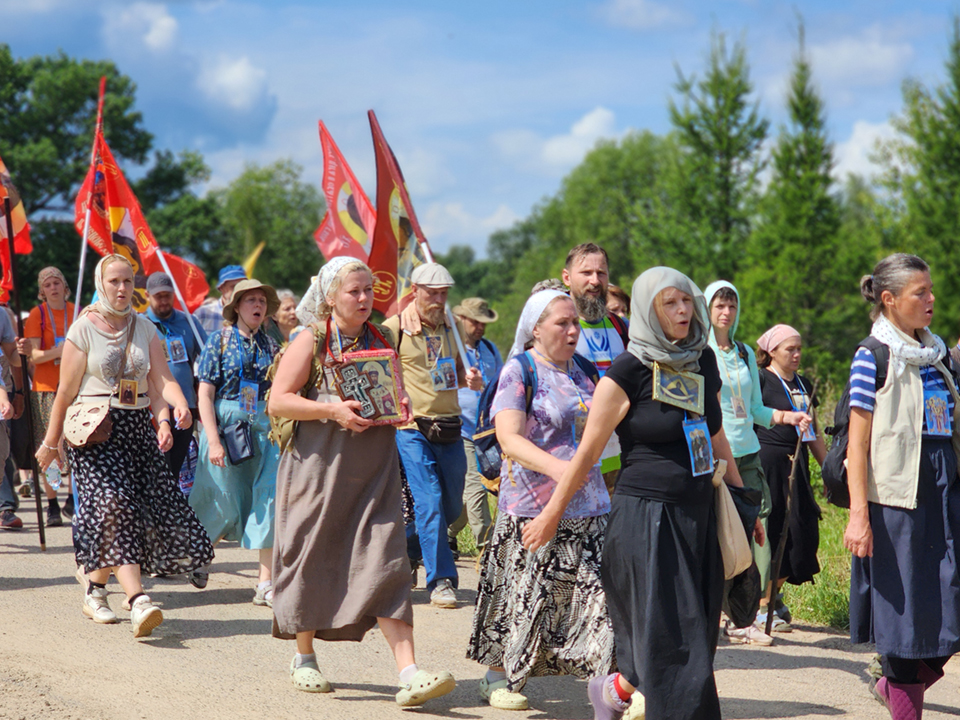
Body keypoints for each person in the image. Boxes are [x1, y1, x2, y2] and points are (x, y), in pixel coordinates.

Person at [522, 267, 757, 720]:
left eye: (687, 300)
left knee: (698, 634)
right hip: (648, 518)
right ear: (650, 310)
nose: (683, 310)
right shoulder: (627, 374)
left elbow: (716, 432)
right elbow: (587, 454)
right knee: (676, 642)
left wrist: (743, 502)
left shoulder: (702, 361)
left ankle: (613, 691)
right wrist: (552, 514)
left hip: (700, 511)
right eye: (670, 303)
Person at [267, 256, 456, 707]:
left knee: (386, 562)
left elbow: (393, 388)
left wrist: (402, 403)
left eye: (369, 290)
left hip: (373, 472)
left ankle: (409, 673)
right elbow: (279, 400)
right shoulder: (309, 340)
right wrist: (331, 409)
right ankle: (305, 656)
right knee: (312, 556)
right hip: (317, 472)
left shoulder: (382, 336)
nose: (364, 298)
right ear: (330, 297)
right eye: (354, 291)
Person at [36, 254, 213, 637]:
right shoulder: (83, 329)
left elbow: (161, 379)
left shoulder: (146, 327)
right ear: (101, 283)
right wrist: (51, 443)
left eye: (128, 282)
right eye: (114, 281)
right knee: (117, 505)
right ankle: (137, 600)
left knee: (132, 510)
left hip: (136, 429)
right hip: (96, 429)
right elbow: (65, 391)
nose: (121, 289)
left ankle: (95, 590)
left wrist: (177, 407)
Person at [466, 289, 614, 712]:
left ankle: (608, 688)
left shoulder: (587, 371)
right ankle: (498, 676)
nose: (572, 331)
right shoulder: (520, 371)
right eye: (562, 323)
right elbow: (509, 439)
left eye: (575, 324)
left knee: (600, 598)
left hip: (590, 508)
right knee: (522, 597)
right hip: (531, 508)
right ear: (536, 329)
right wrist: (560, 470)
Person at [845, 253, 960, 719]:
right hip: (897, 504)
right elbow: (858, 443)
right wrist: (858, 516)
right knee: (906, 624)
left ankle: (892, 687)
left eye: (931, 291)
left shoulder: (938, 356)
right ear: (889, 300)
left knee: (948, 614)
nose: (932, 300)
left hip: (945, 494)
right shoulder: (870, 356)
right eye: (921, 293)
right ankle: (900, 697)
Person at [704, 281, 812, 643]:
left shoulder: (745, 352)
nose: (726, 313)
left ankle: (748, 613)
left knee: (757, 530)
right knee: (714, 534)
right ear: (707, 309)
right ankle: (710, 609)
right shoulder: (700, 351)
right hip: (713, 455)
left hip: (748, 452)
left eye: (732, 306)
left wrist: (786, 417)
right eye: (719, 306)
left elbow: (754, 410)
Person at [382, 263, 482, 610]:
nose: (439, 300)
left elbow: (452, 369)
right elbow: (381, 374)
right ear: (415, 290)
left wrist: (468, 376)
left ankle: (403, 552)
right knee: (430, 500)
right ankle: (441, 580)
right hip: (412, 429)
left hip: (450, 425)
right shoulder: (394, 328)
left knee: (453, 506)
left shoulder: (452, 327)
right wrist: (398, 398)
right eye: (433, 293)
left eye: (444, 293)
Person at [189, 279, 282, 602]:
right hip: (226, 427)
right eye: (251, 300)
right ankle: (200, 553)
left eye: (262, 300)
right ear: (237, 307)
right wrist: (212, 440)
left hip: (265, 429)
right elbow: (204, 395)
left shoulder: (272, 346)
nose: (258, 305)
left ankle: (265, 584)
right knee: (223, 500)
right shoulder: (219, 341)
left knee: (268, 499)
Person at [755, 323, 827, 624]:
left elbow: (813, 432)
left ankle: (773, 595)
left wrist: (829, 468)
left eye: (799, 349)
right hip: (768, 466)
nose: (797, 354)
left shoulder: (803, 384)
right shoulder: (760, 380)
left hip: (796, 469)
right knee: (770, 534)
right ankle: (762, 605)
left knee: (802, 534)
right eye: (790, 349)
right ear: (772, 352)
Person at [562, 243, 628, 492]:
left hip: (619, 459)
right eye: (586, 273)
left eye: (601, 273)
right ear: (567, 278)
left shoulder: (621, 327)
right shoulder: (555, 327)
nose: (595, 280)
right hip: (574, 460)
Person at [18, 267, 74, 526]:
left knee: (76, 443)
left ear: (65, 286)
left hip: (74, 386)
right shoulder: (37, 315)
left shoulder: (78, 311)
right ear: (42, 291)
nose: (53, 288)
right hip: (45, 389)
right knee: (48, 447)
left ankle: (73, 498)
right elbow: (35, 356)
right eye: (48, 285)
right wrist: (62, 350)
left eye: (57, 283)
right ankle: (51, 501)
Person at [448, 297, 502, 559]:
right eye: (474, 321)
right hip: (462, 430)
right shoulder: (451, 349)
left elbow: (501, 385)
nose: (479, 327)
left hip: (489, 432)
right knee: (476, 488)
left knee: (477, 491)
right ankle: (486, 550)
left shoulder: (491, 350)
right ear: (461, 320)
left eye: (483, 322)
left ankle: (449, 531)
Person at [145, 272, 208, 477]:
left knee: (176, 469)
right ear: (147, 296)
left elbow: (208, 356)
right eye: (158, 296)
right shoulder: (140, 324)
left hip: (185, 407)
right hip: (151, 407)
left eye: (167, 295)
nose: (163, 300)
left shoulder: (189, 321)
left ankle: (171, 507)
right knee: (156, 469)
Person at [193, 265, 247, 335]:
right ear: (221, 288)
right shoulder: (203, 313)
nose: (238, 290)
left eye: (242, 286)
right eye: (233, 287)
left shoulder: (249, 315)